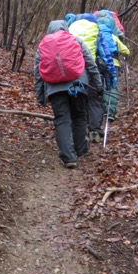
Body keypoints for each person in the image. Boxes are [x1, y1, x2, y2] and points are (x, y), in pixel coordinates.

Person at [35, 20, 103, 168]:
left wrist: (41, 95)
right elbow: (90, 63)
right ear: (66, 28)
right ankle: (80, 149)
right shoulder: (75, 40)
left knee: (62, 119)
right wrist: (98, 85)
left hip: (55, 89)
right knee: (79, 116)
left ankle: (68, 157)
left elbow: (38, 72)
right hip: (78, 85)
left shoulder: (43, 45)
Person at [67, 12, 116, 143]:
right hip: (90, 67)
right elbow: (105, 53)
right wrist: (112, 73)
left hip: (71, 69)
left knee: (77, 98)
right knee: (94, 99)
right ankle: (94, 130)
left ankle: (77, 129)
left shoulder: (71, 28)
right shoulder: (96, 31)